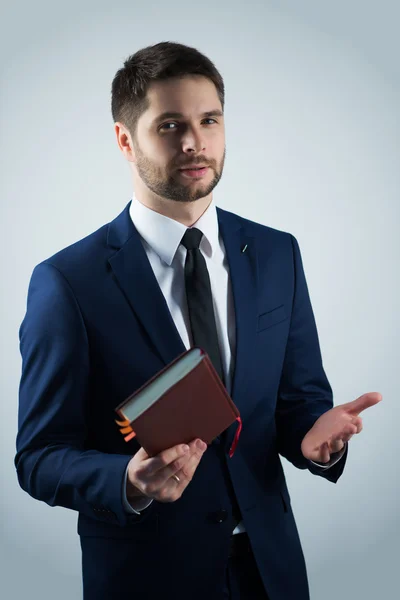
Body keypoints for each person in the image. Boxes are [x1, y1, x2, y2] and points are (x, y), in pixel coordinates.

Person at [15, 41, 382, 600]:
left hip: (271, 569)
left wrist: (315, 438)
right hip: (146, 578)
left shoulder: (277, 253)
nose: (194, 142)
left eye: (208, 120)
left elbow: (295, 402)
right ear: (124, 140)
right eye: (169, 125)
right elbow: (39, 457)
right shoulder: (68, 282)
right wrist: (127, 481)